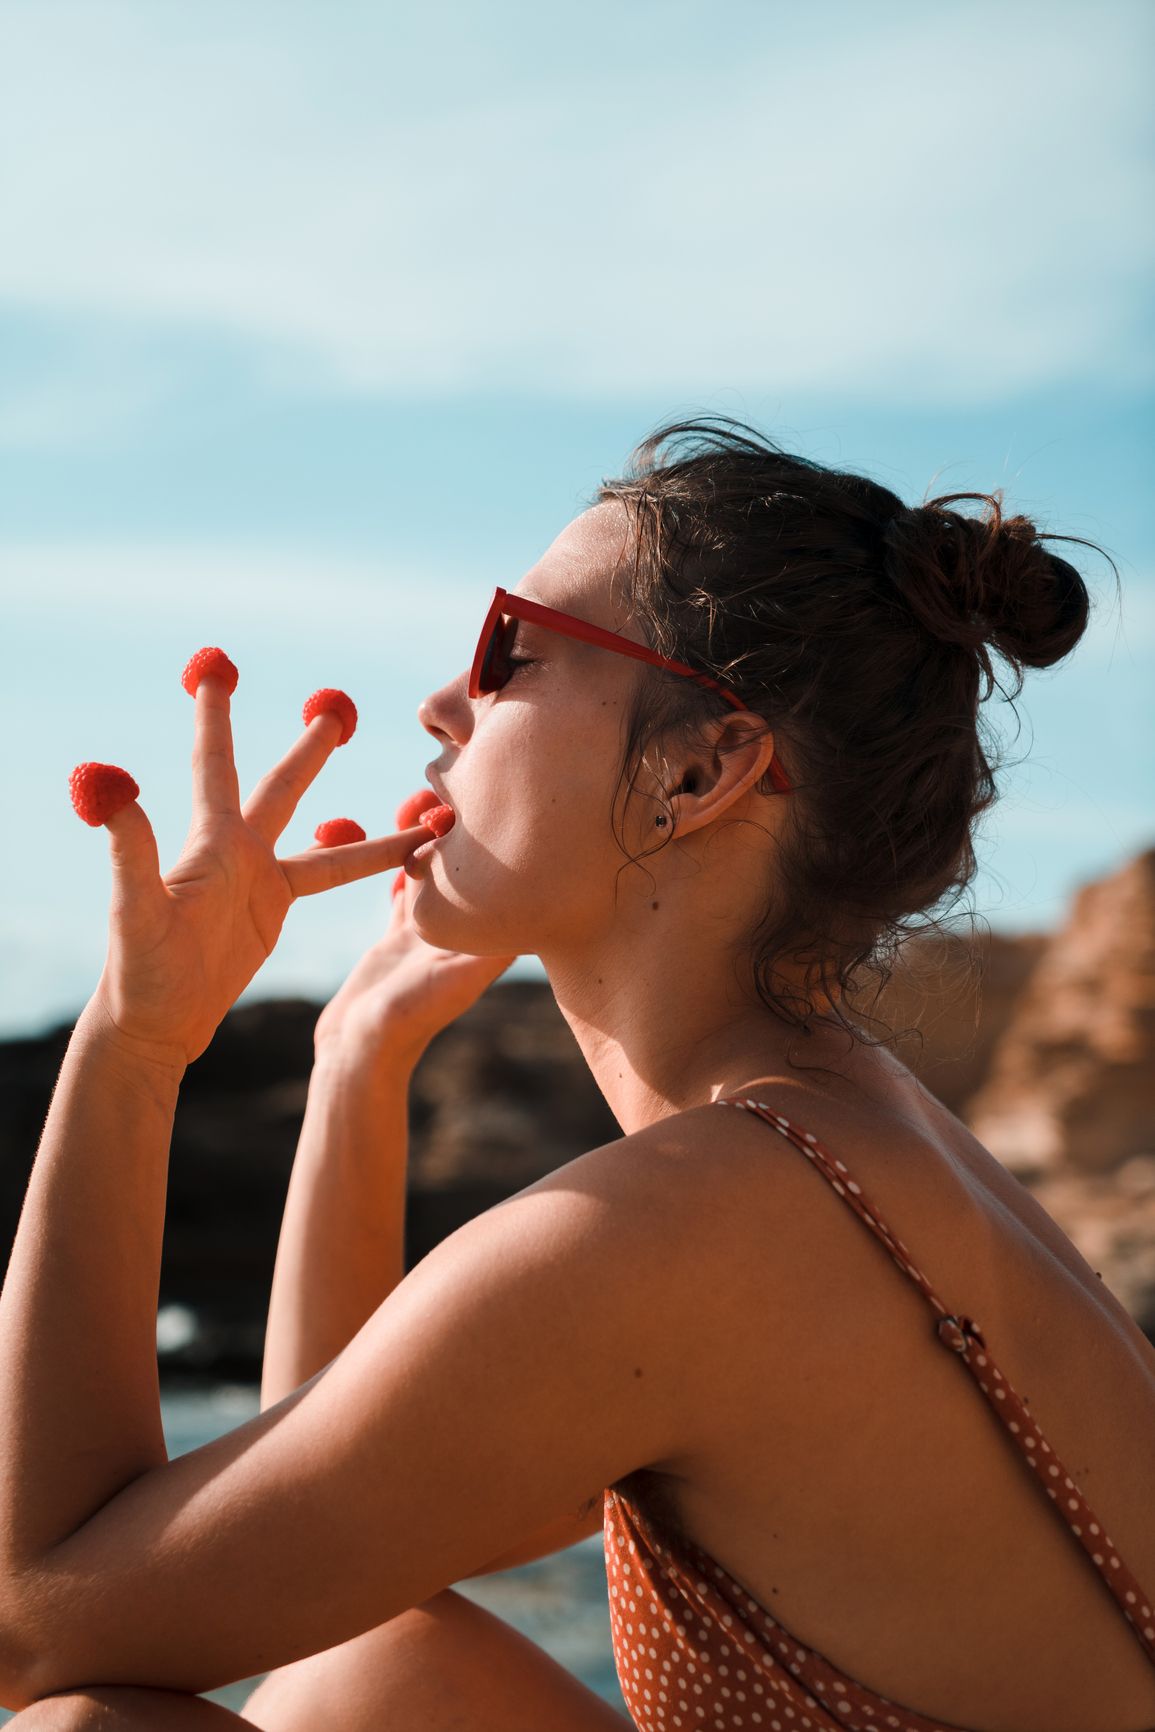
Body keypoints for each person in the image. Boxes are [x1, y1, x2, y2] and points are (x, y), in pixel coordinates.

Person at [0, 415, 1152, 1731]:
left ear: (697, 770)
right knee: (375, 1676)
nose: (442, 704)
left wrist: (138, 1044)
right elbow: (348, 1531)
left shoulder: (699, 1226)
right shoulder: (858, 1139)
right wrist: (357, 1061)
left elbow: (35, 1622)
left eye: (509, 650)